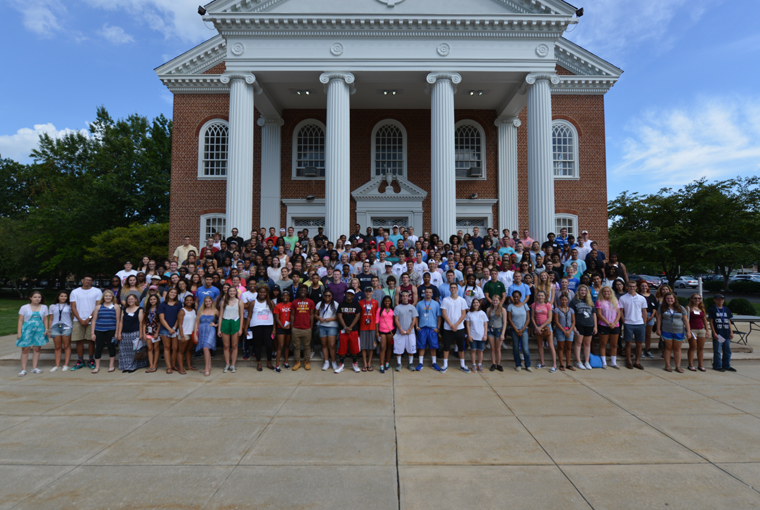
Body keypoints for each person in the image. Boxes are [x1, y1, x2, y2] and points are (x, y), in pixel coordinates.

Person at [69, 275, 102, 371]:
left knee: (91, 340)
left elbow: (97, 306)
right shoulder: (75, 292)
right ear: (82, 280)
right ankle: (80, 360)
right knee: (79, 340)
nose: (88, 281)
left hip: (92, 320)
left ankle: (91, 360)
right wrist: (80, 319)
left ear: (92, 282)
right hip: (77, 320)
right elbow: (73, 307)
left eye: (90, 280)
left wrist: (89, 318)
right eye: (86, 280)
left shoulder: (97, 291)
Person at [16, 291, 49, 376]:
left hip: (39, 330)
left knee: (37, 349)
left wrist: (46, 329)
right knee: (25, 349)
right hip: (27, 329)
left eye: (39, 297)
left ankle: (34, 368)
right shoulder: (24, 307)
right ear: (31, 298)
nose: (37, 299)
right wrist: (19, 332)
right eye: (35, 297)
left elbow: (45, 319)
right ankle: (23, 369)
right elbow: (20, 320)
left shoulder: (44, 307)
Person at [657, 292, 690, 373]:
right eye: (668, 298)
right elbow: (659, 319)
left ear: (675, 299)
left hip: (679, 330)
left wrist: (688, 331)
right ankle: (667, 365)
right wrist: (658, 329)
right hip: (666, 330)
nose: (670, 300)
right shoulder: (662, 307)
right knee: (667, 348)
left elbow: (685, 320)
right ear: (665, 299)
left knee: (677, 349)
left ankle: (678, 366)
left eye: (671, 298)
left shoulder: (681, 308)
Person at [90, 289, 121, 374]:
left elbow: (118, 320)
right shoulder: (98, 307)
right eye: (106, 296)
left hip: (111, 329)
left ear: (112, 297)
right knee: (99, 347)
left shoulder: (116, 306)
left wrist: (117, 333)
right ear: (103, 297)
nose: (108, 297)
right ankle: (97, 366)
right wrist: (92, 333)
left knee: (111, 347)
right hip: (99, 329)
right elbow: (94, 320)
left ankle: (111, 365)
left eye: (109, 296)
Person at [441, 283, 469, 373]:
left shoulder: (462, 300)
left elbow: (464, 314)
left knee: (461, 347)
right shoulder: (445, 300)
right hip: (447, 327)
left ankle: (462, 365)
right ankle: (445, 365)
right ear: (449, 289)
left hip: (459, 327)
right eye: (451, 288)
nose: (453, 289)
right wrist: (451, 325)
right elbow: (444, 313)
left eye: (454, 288)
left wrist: (456, 325)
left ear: (457, 289)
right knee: (446, 347)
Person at [619, 281, 648, 370]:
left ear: (636, 287)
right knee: (628, 343)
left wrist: (644, 322)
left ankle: (637, 362)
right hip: (629, 323)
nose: (632, 288)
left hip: (640, 323)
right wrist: (624, 321)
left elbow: (644, 311)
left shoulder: (641, 298)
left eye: (633, 286)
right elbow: (621, 311)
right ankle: (629, 361)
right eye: (630, 286)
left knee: (639, 343)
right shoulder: (623, 298)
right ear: (627, 287)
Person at [245, 284, 272, 372]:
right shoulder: (253, 303)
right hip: (256, 326)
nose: (262, 294)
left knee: (269, 345)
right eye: (260, 292)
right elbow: (249, 316)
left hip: (268, 326)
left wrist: (274, 329)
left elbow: (275, 317)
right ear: (258, 293)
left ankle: (269, 362)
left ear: (266, 293)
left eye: (264, 292)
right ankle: (259, 362)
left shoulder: (270, 302)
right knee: (257, 345)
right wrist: (245, 328)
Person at [117, 294, 148, 373]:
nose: (130, 301)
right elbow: (121, 322)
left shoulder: (140, 309)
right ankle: (126, 366)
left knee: (134, 351)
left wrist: (141, 334)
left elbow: (141, 322)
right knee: (124, 351)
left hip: (135, 332)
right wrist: (119, 333)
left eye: (132, 299)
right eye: (129, 299)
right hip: (125, 333)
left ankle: (133, 366)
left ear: (136, 300)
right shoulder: (124, 309)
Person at [415, 286, 442, 371]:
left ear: (432, 293)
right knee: (421, 346)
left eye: (430, 292)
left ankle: (434, 363)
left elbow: (439, 316)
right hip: (422, 328)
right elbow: (416, 316)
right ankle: (420, 363)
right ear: (424, 293)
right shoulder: (419, 304)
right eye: (426, 292)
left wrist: (438, 328)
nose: (428, 294)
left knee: (433, 346)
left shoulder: (436, 304)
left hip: (432, 328)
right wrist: (417, 326)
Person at [335, 289, 361, 373]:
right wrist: (345, 327)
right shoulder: (341, 304)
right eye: (348, 293)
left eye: (351, 294)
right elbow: (339, 316)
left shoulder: (356, 305)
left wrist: (350, 327)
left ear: (353, 296)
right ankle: (341, 365)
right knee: (342, 349)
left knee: (354, 349)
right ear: (345, 294)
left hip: (353, 330)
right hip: (343, 330)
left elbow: (357, 316)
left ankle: (354, 364)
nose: (349, 295)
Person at [290, 286, 315, 371]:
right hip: (296, 328)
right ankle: (297, 362)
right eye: (301, 290)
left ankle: (307, 361)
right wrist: (292, 326)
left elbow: (312, 315)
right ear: (299, 292)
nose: (303, 291)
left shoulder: (310, 302)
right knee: (296, 346)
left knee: (307, 346)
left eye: (305, 290)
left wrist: (311, 326)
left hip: (307, 328)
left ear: (307, 292)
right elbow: (292, 315)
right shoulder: (294, 302)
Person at [158, 287, 182, 374]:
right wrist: (169, 329)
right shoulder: (162, 304)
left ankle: (173, 365)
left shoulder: (179, 304)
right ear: (168, 293)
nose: (173, 294)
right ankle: (168, 367)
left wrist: (174, 328)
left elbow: (179, 317)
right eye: (171, 292)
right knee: (167, 347)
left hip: (175, 329)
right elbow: (161, 319)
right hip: (165, 329)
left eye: (175, 293)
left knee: (175, 348)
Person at [708, 294, 735, 372]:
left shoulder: (726, 309)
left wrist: (731, 331)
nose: (720, 301)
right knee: (718, 350)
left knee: (727, 350)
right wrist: (714, 332)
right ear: (715, 300)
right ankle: (717, 365)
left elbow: (729, 321)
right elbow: (711, 321)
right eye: (718, 300)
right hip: (719, 333)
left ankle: (726, 365)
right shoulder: (712, 309)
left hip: (726, 333)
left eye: (722, 300)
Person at [393, 291, 419, 372]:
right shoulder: (397, 307)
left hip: (410, 332)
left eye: (406, 296)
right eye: (403, 296)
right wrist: (400, 329)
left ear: (409, 297)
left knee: (411, 349)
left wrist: (410, 329)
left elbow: (414, 319)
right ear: (401, 297)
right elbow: (396, 319)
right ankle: (399, 363)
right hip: (400, 332)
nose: (404, 297)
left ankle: (410, 363)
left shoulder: (412, 307)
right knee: (399, 349)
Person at [531, 290, 556, 373]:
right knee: (540, 345)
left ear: (545, 297)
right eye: (539, 295)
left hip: (547, 327)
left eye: (542, 295)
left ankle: (554, 365)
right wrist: (536, 327)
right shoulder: (534, 305)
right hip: (538, 326)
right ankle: (542, 363)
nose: (541, 297)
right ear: (537, 296)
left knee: (551, 345)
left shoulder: (548, 305)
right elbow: (532, 317)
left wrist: (541, 326)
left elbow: (550, 318)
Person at [507, 291, 531, 372]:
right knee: (516, 348)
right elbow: (509, 319)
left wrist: (523, 329)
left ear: (520, 297)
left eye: (517, 297)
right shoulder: (510, 306)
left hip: (524, 330)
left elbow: (528, 318)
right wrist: (516, 330)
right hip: (514, 330)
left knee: (525, 349)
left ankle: (528, 365)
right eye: (514, 297)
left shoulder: (525, 305)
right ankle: (518, 364)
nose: (516, 298)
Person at [195, 296, 219, 377]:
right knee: (206, 348)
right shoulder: (201, 310)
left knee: (206, 347)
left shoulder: (215, 310)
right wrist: (195, 333)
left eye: (209, 301)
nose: (208, 303)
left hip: (210, 330)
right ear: (204, 303)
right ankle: (209, 366)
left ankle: (207, 369)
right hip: (202, 330)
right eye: (206, 301)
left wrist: (216, 324)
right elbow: (196, 323)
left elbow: (222, 319)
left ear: (212, 302)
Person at [48, 290, 73, 372]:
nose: (63, 298)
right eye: (62, 296)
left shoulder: (69, 306)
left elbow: (72, 317)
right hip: (55, 327)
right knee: (57, 347)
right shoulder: (52, 306)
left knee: (66, 346)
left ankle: (66, 364)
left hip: (66, 326)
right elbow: (51, 319)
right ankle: (57, 365)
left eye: (65, 296)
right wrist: (49, 330)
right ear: (58, 297)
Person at [316, 291, 340, 371]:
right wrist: (319, 318)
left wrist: (331, 319)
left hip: (332, 326)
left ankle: (333, 361)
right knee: (324, 345)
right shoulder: (319, 304)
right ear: (323, 296)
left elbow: (339, 316)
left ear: (332, 296)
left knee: (332, 345)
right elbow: (315, 315)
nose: (327, 297)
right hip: (322, 326)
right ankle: (326, 362)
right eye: (325, 295)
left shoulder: (335, 304)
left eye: (329, 295)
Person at [686, 293, 710, 372]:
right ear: (692, 299)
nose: (697, 300)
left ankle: (700, 364)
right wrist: (688, 330)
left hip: (701, 329)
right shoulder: (688, 308)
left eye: (699, 298)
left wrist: (707, 330)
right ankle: (690, 364)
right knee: (693, 347)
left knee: (701, 348)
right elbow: (686, 320)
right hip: (693, 329)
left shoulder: (701, 308)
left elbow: (704, 320)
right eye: (695, 298)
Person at [174, 295, 197, 374]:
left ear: (193, 301)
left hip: (192, 333)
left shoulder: (194, 310)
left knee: (189, 350)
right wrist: (182, 335)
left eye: (190, 300)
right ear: (185, 301)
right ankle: (181, 368)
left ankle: (189, 366)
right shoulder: (182, 311)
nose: (189, 302)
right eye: (187, 300)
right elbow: (179, 324)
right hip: (184, 333)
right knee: (181, 351)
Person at [358, 287, 379, 371]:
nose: (368, 293)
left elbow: (377, 316)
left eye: (369, 292)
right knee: (363, 346)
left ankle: (369, 362)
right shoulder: (360, 302)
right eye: (366, 292)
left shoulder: (375, 302)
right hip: (363, 326)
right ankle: (364, 363)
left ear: (372, 293)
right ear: (364, 293)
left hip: (372, 326)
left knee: (371, 346)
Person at [465, 298, 488, 373]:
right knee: (473, 350)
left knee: (480, 351)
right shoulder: (469, 314)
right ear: (472, 304)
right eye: (474, 302)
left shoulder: (483, 313)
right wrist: (469, 335)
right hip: (473, 335)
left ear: (479, 304)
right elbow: (467, 325)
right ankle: (474, 364)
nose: (475, 304)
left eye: (477, 302)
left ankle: (480, 364)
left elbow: (485, 324)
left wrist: (485, 334)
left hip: (481, 335)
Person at [272, 289, 292, 373]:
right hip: (281, 327)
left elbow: (293, 316)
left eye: (287, 296)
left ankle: (286, 362)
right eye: (283, 295)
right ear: (281, 297)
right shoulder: (278, 306)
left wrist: (290, 325)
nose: (285, 297)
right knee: (280, 345)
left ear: (289, 297)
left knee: (287, 345)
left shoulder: (291, 305)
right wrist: (282, 326)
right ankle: (277, 365)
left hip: (289, 327)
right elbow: (276, 318)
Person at [553, 293, 575, 372]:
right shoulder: (557, 309)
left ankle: (568, 364)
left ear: (568, 300)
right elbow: (556, 321)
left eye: (565, 300)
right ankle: (561, 364)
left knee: (568, 348)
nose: (564, 301)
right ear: (560, 300)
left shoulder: (571, 310)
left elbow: (573, 321)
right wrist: (564, 330)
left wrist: (569, 330)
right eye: (562, 300)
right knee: (560, 347)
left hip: (569, 331)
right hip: (560, 330)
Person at [142, 294, 162, 373]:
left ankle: (155, 364)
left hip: (156, 331)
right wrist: (143, 333)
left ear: (157, 300)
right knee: (149, 349)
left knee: (156, 348)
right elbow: (144, 322)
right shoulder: (146, 309)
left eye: (154, 299)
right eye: (151, 299)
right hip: (148, 331)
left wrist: (157, 332)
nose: (152, 301)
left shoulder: (159, 309)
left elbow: (160, 322)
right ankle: (150, 365)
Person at [487, 295, 507, 372]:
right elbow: (487, 321)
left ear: (499, 301)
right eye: (493, 300)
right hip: (491, 329)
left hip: (499, 329)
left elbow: (505, 322)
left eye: (496, 300)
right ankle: (493, 363)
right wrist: (486, 331)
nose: (495, 302)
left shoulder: (502, 310)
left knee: (498, 349)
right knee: (492, 348)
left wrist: (503, 333)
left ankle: (498, 364)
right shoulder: (489, 309)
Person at [639, 281, 658, 359]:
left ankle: (647, 349)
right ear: (640, 287)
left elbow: (654, 308)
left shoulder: (652, 296)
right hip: (640, 316)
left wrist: (652, 316)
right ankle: (640, 350)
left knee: (648, 335)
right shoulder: (638, 296)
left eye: (645, 286)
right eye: (642, 286)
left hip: (650, 316)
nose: (644, 287)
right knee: (641, 335)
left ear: (648, 287)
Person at [376, 296, 395, 373]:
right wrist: (377, 332)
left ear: (391, 302)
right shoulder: (379, 310)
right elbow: (376, 321)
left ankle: (387, 362)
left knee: (390, 347)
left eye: (389, 301)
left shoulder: (393, 310)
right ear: (383, 302)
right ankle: (381, 365)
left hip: (391, 331)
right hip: (382, 331)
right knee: (382, 347)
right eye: (385, 301)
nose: (387, 302)